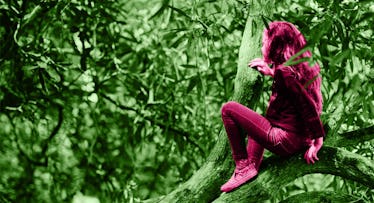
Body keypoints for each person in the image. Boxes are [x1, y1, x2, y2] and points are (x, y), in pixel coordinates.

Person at [220, 21, 325, 192]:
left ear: (275, 45)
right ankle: (251, 167)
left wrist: (318, 140)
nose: (262, 46)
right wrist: (271, 72)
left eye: (264, 43)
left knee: (228, 109)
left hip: (284, 139)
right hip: (298, 140)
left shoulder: (285, 72)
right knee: (258, 122)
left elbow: (306, 105)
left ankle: (242, 165)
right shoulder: (297, 67)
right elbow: (295, 90)